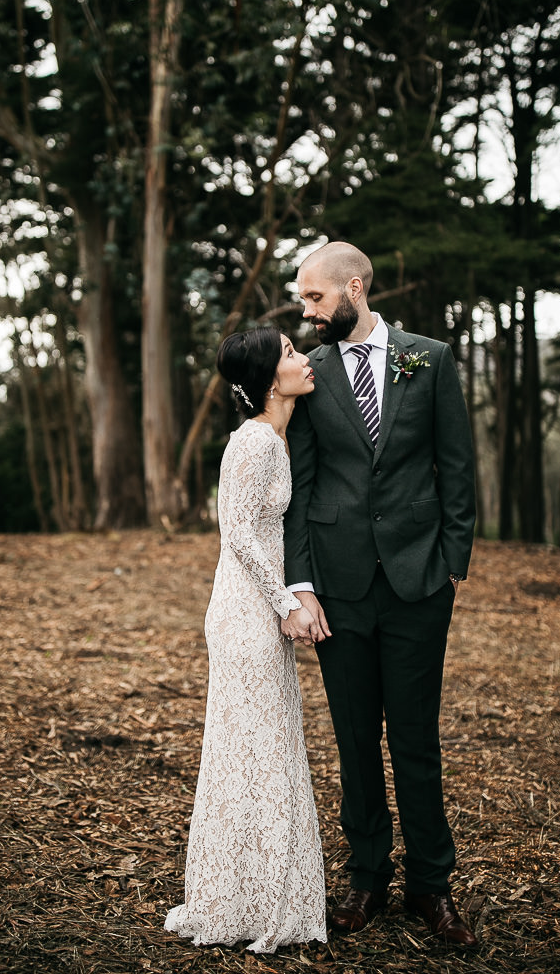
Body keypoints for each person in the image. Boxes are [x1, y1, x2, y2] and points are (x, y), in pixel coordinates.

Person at [282, 241, 478, 948]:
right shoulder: (311, 373)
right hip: (339, 588)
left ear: (354, 288)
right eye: (305, 300)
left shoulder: (430, 358)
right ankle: (367, 876)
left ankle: (433, 885)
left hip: (419, 581)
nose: (307, 312)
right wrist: (300, 585)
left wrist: (453, 562)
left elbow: (456, 464)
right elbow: (301, 486)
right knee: (356, 740)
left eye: (315, 297)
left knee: (417, 740)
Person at [165, 326, 327, 954]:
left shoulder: (275, 439)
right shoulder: (255, 443)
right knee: (255, 750)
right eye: (289, 353)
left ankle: (259, 893)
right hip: (244, 614)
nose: (302, 358)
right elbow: (237, 537)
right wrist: (286, 601)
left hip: (257, 607)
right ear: (265, 379)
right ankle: (246, 901)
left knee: (263, 750)